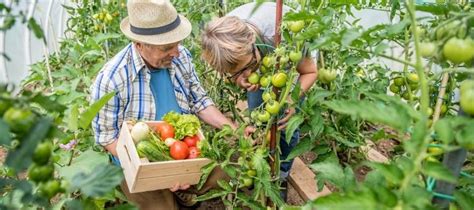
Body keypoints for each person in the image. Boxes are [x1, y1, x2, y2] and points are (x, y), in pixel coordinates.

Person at [90, 0, 237, 209]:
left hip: (184, 148)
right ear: (139, 44)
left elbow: (200, 101)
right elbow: (107, 137)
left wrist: (234, 129)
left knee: (229, 165)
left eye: (177, 43)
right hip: (140, 162)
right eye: (167, 47)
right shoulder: (112, 79)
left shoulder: (181, 56)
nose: (176, 52)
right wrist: (156, 168)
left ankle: (187, 193)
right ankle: (178, 194)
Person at [201, 2, 318, 201]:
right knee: (260, 122)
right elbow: (237, 69)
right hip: (264, 60)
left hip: (291, 59)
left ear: (253, 43)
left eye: (248, 66)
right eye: (237, 71)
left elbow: (310, 72)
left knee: (286, 123)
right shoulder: (224, 41)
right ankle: (263, 168)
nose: (247, 74)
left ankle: (281, 175)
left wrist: (291, 100)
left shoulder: (284, 34)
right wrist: (239, 77)